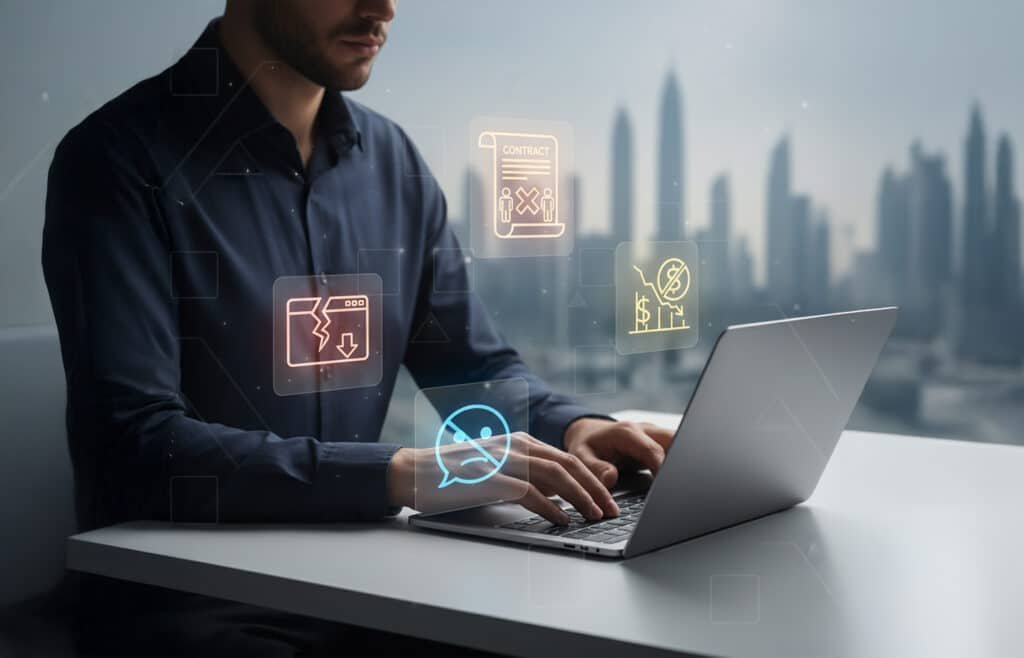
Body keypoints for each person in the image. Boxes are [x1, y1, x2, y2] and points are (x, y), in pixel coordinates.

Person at [42, 0, 674, 654]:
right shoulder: (118, 159)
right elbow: (133, 446)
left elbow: (473, 368)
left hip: (372, 594)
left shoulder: (394, 164)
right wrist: (398, 474)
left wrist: (577, 427)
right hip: (190, 611)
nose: (384, 8)